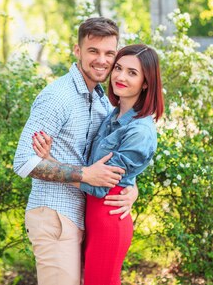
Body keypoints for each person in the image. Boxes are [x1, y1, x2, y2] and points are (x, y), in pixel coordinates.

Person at [12, 17, 139, 285]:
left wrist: (132, 189)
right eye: (93, 51)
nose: (101, 60)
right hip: (55, 216)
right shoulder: (57, 97)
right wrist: (84, 174)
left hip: (88, 217)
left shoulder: (104, 103)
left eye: (109, 53)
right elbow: (23, 161)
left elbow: (116, 160)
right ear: (77, 51)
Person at [33, 44, 164, 285]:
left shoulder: (140, 130)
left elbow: (101, 184)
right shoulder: (111, 114)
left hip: (108, 217)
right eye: (119, 68)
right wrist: (132, 186)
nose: (120, 77)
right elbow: (115, 172)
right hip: (91, 215)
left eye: (132, 73)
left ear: (146, 82)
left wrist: (51, 162)